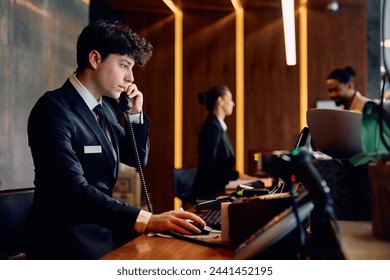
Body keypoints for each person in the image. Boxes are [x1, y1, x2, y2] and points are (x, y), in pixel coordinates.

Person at [26, 19, 205, 260]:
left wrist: (134, 115)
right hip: (65, 243)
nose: (131, 77)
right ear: (95, 59)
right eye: (124, 65)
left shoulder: (107, 110)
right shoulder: (53, 109)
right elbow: (73, 189)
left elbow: (136, 159)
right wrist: (146, 219)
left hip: (104, 232)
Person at [191, 86, 260, 200]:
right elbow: (209, 166)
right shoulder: (212, 127)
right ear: (220, 101)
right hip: (209, 193)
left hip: (217, 189)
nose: (233, 104)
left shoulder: (217, 126)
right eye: (230, 99)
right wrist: (240, 176)